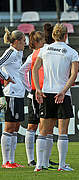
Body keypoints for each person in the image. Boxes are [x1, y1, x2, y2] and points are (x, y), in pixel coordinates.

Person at [32, 23, 79, 171]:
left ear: (53, 35)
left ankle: (39, 165)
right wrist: (64, 91)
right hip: (62, 93)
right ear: (66, 35)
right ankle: (61, 165)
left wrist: (38, 89)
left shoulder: (44, 49)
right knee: (62, 132)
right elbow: (74, 75)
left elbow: (34, 69)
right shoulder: (72, 52)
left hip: (46, 92)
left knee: (43, 131)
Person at [19, 24, 58, 168]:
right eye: (42, 41)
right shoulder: (34, 55)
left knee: (46, 127)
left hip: (45, 92)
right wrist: (30, 88)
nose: (44, 42)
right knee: (33, 126)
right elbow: (21, 71)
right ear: (37, 42)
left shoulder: (45, 53)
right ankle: (32, 159)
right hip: (37, 94)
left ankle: (45, 159)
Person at [0, 28, 26, 168]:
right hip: (11, 94)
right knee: (9, 127)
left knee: (15, 127)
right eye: (23, 41)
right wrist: (6, 77)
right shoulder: (10, 52)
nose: (25, 43)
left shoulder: (18, 52)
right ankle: (6, 161)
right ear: (16, 42)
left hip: (19, 93)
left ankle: (12, 160)